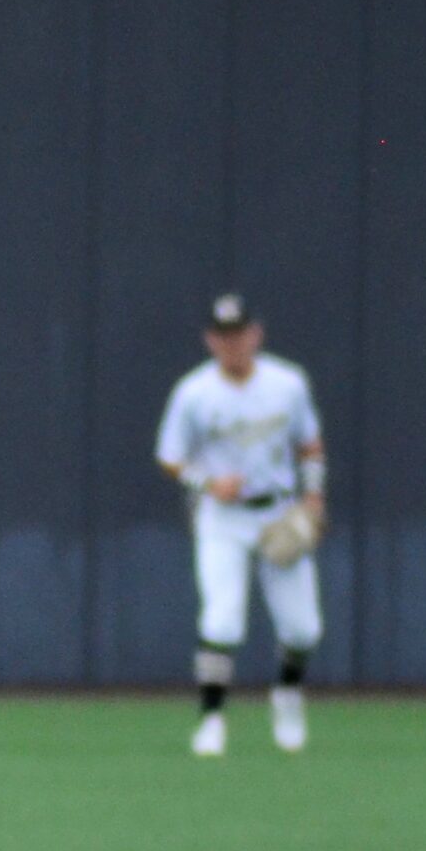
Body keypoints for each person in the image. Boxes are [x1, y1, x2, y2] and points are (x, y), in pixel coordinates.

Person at [155, 292, 327, 756]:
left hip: (278, 513)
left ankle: (288, 694)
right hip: (223, 518)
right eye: (223, 336)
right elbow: (169, 456)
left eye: (240, 334)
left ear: (256, 334)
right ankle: (212, 719)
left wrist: (314, 498)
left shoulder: (287, 383)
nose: (233, 344)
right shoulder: (194, 392)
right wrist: (207, 482)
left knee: (303, 630)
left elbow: (309, 444)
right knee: (223, 621)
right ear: (211, 340)